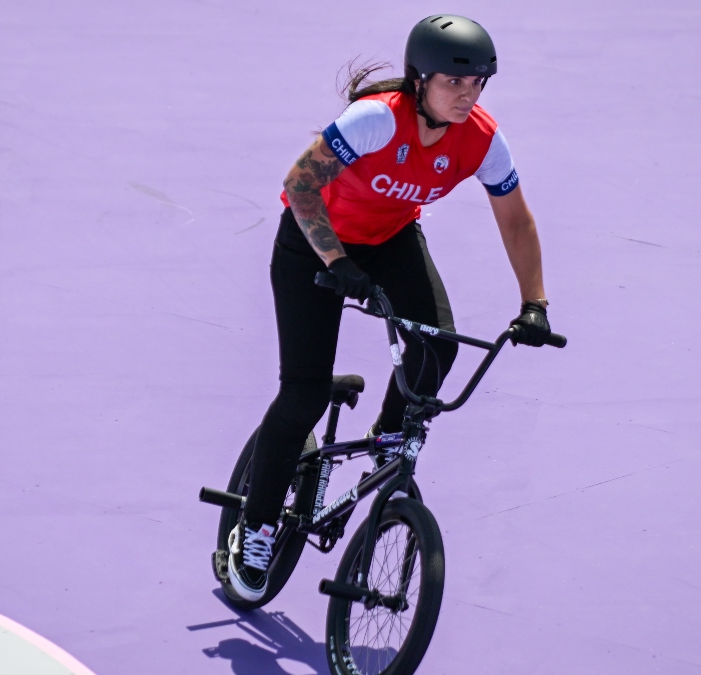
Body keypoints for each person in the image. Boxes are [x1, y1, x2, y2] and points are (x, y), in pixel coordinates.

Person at [227, 14, 554, 602]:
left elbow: (516, 219)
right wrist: (333, 260)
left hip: (389, 240)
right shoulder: (377, 120)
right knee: (302, 394)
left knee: (440, 343)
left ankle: (386, 434)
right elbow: (301, 185)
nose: (467, 94)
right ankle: (255, 528)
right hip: (313, 241)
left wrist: (534, 303)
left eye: (478, 83)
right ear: (420, 79)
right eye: (454, 83)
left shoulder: (481, 138)